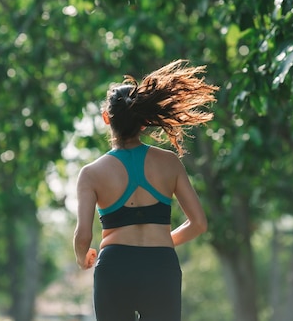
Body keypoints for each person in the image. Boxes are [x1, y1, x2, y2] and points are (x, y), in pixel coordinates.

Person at [73, 59, 218, 321]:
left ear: (107, 118)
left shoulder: (91, 173)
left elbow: (83, 236)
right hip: (160, 266)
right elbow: (198, 223)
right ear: (144, 122)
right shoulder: (169, 163)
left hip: (115, 266)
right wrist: (160, 241)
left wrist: (82, 257)